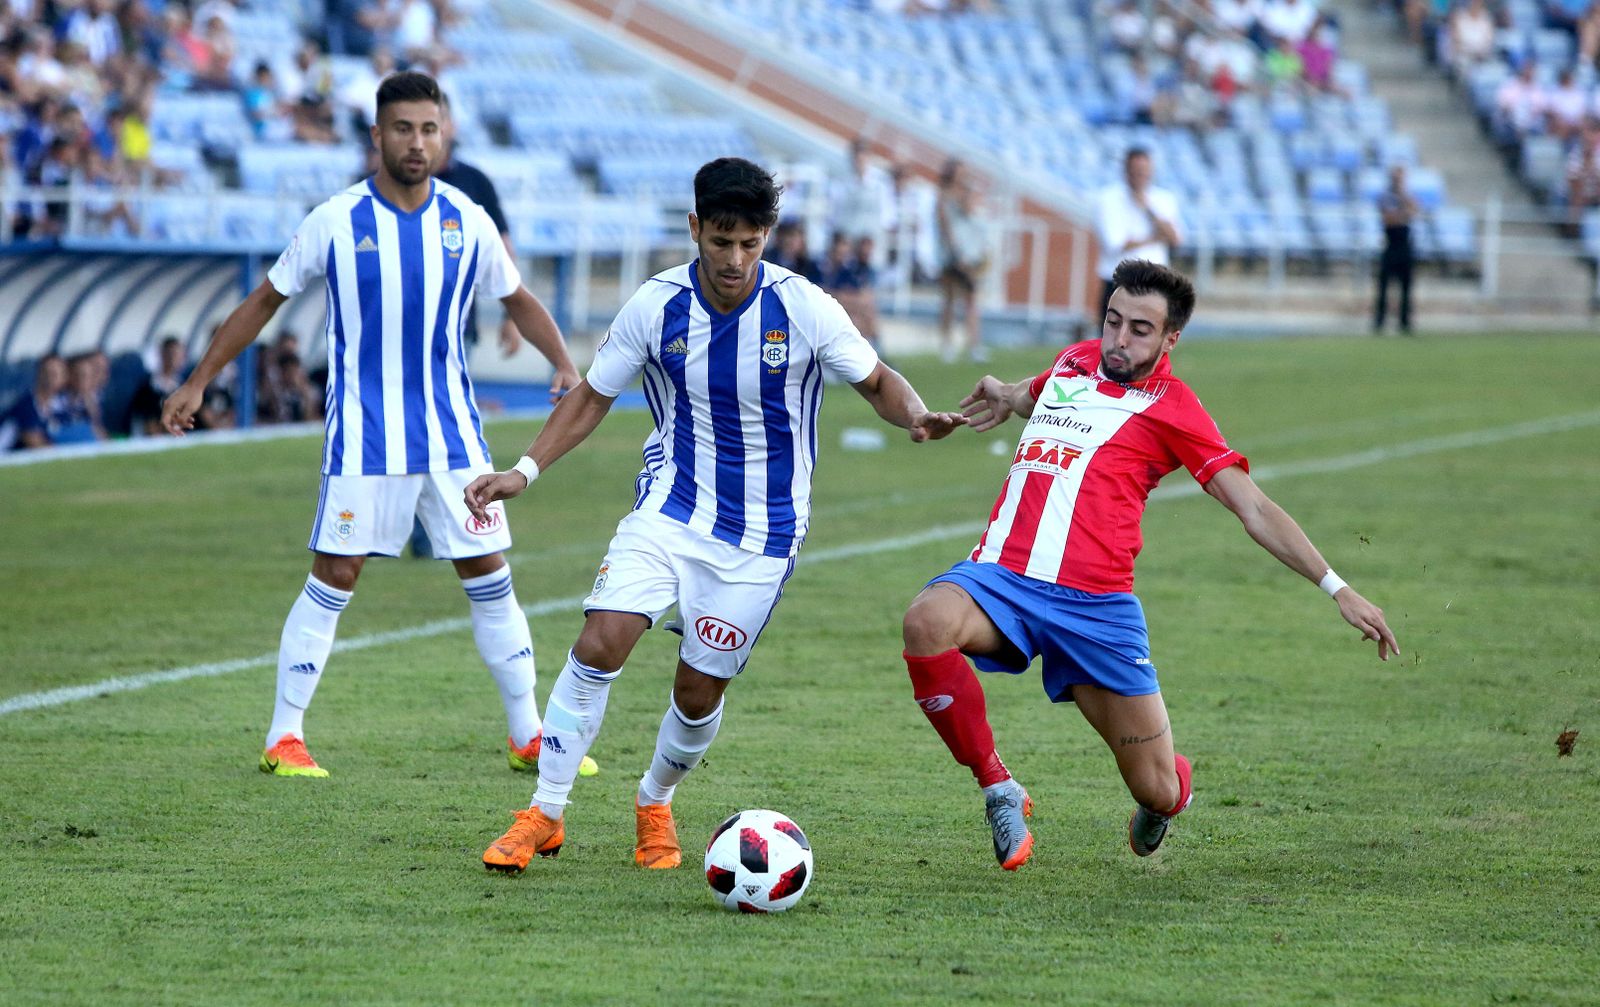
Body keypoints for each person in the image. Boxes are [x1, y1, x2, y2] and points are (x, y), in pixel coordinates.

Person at [466, 157, 965, 873]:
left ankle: (654, 799)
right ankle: (544, 812)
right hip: (669, 508)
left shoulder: (803, 306)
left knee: (697, 691)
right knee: (601, 640)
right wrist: (524, 470)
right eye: (721, 241)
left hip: (764, 534)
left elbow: (878, 379)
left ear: (768, 236)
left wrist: (917, 415)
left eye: (750, 244)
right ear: (695, 227)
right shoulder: (655, 305)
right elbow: (593, 395)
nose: (735, 259)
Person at [901, 259, 1400, 871]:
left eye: (1139, 330)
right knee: (926, 622)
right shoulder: (1074, 361)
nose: (1118, 339)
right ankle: (998, 787)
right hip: (1002, 578)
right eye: (1112, 320)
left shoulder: (1175, 408)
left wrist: (1337, 588)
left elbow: (1253, 508)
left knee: (1155, 787)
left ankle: (1168, 797)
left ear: (1170, 339)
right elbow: (1037, 394)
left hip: (1096, 608)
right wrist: (1001, 395)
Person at [160, 71, 589, 781]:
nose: (417, 142)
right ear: (377, 135)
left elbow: (518, 298)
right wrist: (198, 379)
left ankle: (527, 734)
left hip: (454, 435)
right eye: (403, 129)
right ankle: (284, 736)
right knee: (337, 571)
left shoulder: (467, 218)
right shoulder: (336, 219)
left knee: (489, 570)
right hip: (365, 434)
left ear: (443, 135)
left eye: (429, 129)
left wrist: (565, 363)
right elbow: (263, 301)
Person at [1095, 147, 1181, 326]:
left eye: (1144, 171)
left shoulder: (1163, 199)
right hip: (1120, 281)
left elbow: (1174, 239)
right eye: (1136, 170)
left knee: (1153, 337)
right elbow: (1115, 244)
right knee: (1114, 337)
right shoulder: (1109, 199)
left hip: (1154, 281)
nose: (1140, 175)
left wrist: (1148, 209)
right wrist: (1155, 238)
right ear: (1126, 170)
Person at [936, 160, 989, 363]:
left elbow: (971, 211)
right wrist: (956, 254)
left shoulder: (964, 193)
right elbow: (945, 226)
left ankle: (973, 344)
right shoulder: (944, 197)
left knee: (971, 299)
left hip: (968, 253)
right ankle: (948, 344)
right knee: (950, 299)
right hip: (952, 256)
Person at [1373, 165, 1418, 335]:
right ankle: (1379, 321)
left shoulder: (1406, 196)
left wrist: (1403, 203)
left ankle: (1405, 322)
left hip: (1405, 246)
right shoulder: (1385, 197)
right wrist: (1403, 215)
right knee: (1383, 286)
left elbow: (1414, 210)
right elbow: (1388, 219)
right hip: (1391, 245)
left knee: (1406, 287)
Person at [0, 353, 70, 451]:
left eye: (55, 374)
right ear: (38, 374)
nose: (49, 378)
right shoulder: (25, 405)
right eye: (46, 373)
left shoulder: (61, 406)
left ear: (64, 378)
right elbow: (33, 441)